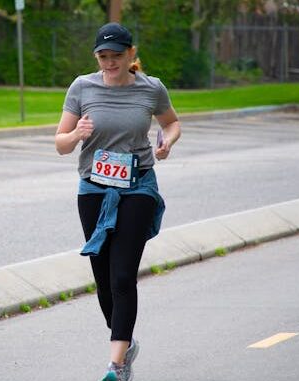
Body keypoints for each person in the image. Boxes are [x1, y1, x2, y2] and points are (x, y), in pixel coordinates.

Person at [55, 23, 181, 381]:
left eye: (116, 56)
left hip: (138, 185)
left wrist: (167, 142)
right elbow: (60, 143)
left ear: (130, 54)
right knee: (103, 278)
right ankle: (125, 342)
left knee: (123, 275)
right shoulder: (82, 87)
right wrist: (76, 134)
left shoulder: (151, 88)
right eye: (103, 57)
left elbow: (172, 123)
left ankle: (116, 362)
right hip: (94, 189)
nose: (110, 63)